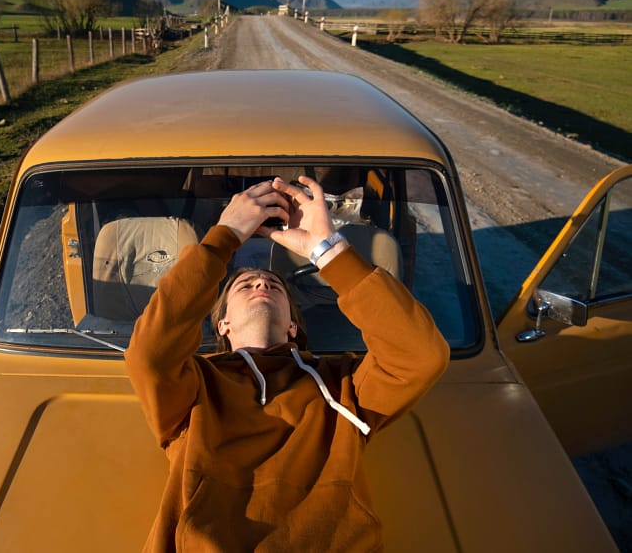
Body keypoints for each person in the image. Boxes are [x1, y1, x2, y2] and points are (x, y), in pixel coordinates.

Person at [124, 176, 449, 551]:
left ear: (293, 326)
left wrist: (328, 251)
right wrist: (224, 235)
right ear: (223, 324)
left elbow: (421, 355)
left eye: (273, 286)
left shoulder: (344, 385)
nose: (261, 284)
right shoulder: (193, 386)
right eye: (244, 286)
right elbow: (150, 352)